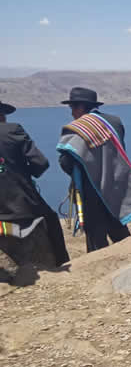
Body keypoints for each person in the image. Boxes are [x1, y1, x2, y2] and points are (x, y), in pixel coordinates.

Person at [57, 87, 131, 252]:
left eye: (73, 108)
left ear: (81, 107)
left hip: (91, 190)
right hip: (116, 185)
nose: (72, 113)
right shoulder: (114, 122)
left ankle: (101, 262)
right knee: (118, 227)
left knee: (95, 236)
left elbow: (65, 162)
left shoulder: (77, 129)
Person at [0, 100, 70, 280]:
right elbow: (41, 163)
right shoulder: (13, 130)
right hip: (20, 205)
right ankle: (60, 263)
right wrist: (25, 172)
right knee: (51, 218)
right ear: (2, 115)